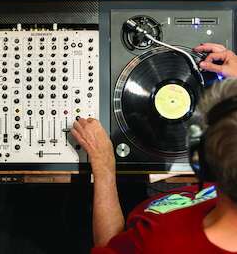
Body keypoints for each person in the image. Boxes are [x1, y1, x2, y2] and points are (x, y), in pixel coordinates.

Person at [71, 43, 237, 253]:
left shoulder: (158, 241)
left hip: (143, 210)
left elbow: (110, 245)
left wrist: (103, 166)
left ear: (200, 161)